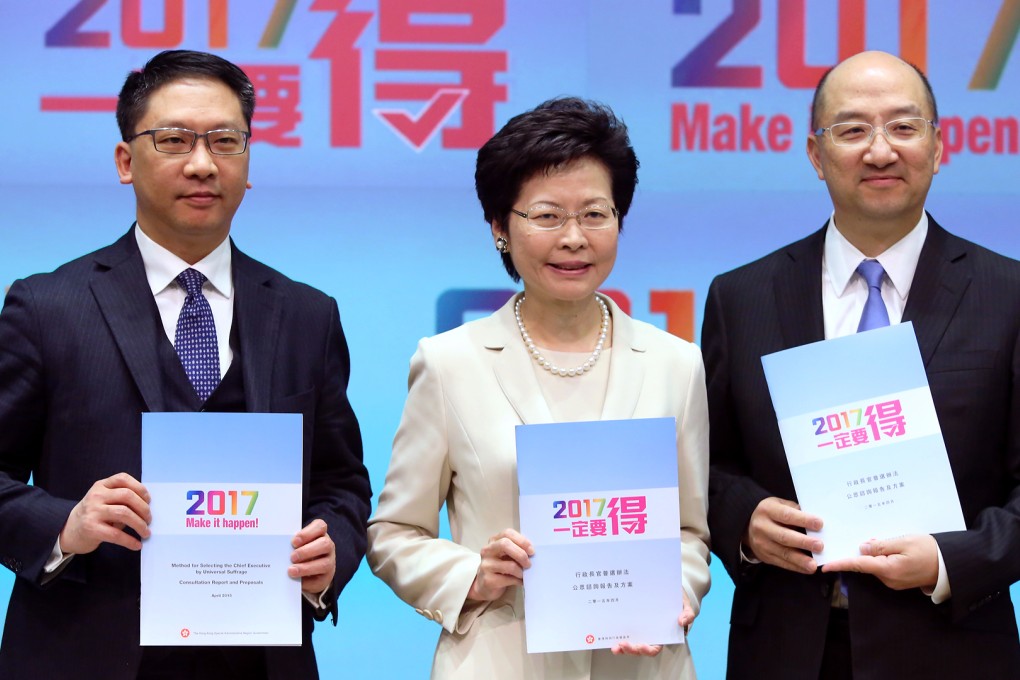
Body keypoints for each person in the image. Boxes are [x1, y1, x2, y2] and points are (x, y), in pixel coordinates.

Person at [0, 50, 371, 679]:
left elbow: (343, 484)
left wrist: (331, 547)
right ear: (125, 161)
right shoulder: (46, 305)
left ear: (248, 162)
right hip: (86, 653)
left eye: (225, 141)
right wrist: (66, 523)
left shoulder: (309, 314)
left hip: (262, 655)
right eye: (173, 140)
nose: (203, 164)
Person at [366, 97, 711, 679]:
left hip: (641, 665)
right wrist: (470, 574)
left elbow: (689, 530)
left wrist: (676, 590)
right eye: (547, 216)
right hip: (503, 661)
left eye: (596, 214)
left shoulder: (676, 363)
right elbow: (395, 533)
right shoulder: (450, 363)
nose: (574, 238)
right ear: (500, 227)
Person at [704, 50, 1020, 679]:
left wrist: (951, 560)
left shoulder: (1008, 295)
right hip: (785, 651)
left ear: (939, 146)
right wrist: (743, 520)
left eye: (903, 127)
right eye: (852, 130)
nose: (880, 152)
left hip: (952, 648)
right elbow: (702, 462)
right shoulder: (741, 297)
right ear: (816, 155)